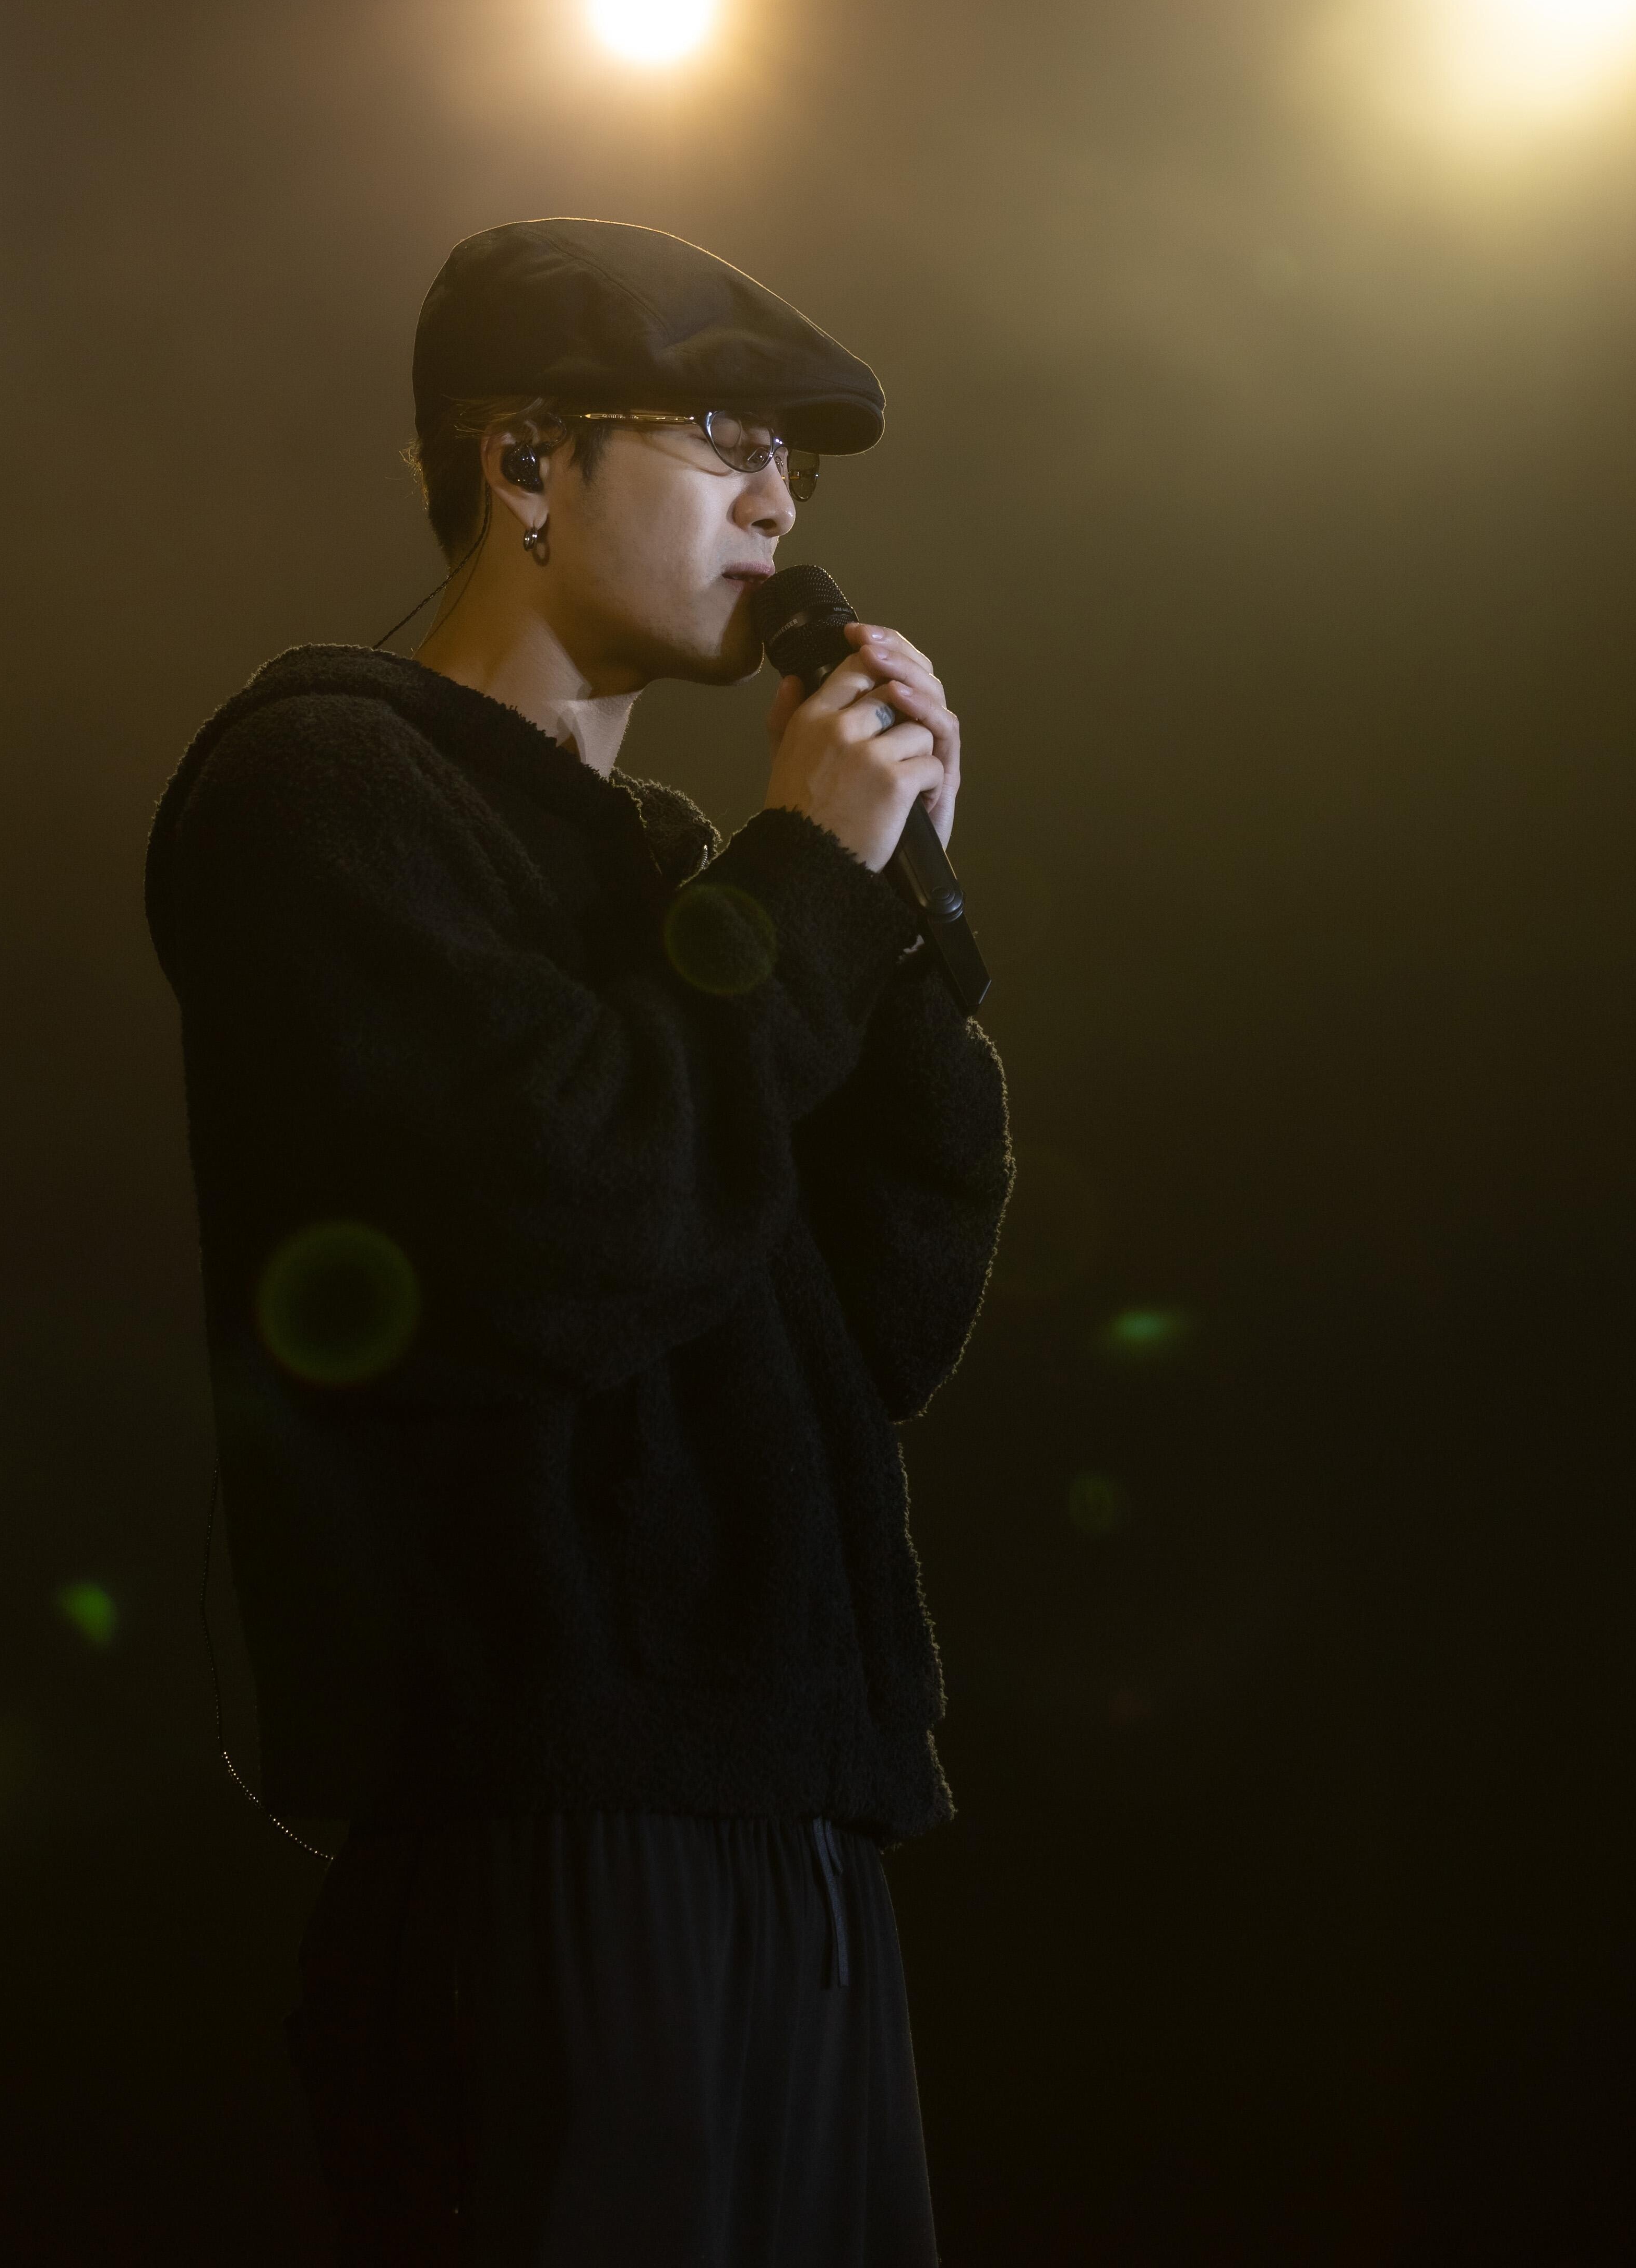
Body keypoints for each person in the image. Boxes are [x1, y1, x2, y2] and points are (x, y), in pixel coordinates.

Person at [144, 217, 1011, 2265]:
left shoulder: (690, 882)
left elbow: (873, 1319)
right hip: (547, 1825)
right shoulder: (323, 787)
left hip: (792, 1820)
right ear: (525, 459)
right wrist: (806, 884)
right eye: (726, 441)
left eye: (795, 464)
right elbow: (563, 1228)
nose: (780, 507)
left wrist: (888, 908)